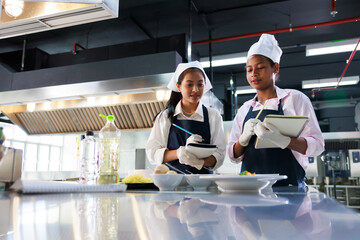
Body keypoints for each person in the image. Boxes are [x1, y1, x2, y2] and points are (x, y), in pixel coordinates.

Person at [227, 34, 324, 187]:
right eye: (249, 69)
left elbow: (318, 146)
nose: (254, 74)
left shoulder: (295, 99)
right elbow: (233, 156)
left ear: (275, 67)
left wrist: (284, 141)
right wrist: (243, 140)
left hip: (290, 190)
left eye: (260, 68)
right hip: (251, 192)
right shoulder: (244, 109)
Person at [146, 61, 226, 173]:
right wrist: (179, 153)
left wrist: (200, 162)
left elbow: (220, 154)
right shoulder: (165, 117)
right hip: (172, 183)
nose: (195, 89)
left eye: (200, 84)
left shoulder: (213, 116)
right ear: (178, 87)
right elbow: (153, 153)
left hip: (204, 184)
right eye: (189, 84)